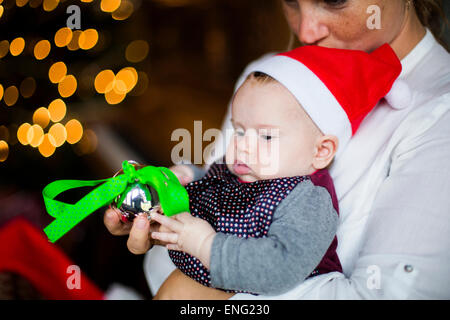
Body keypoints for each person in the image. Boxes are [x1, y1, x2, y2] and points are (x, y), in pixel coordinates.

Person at [104, 0, 450, 299]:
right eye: (291, 2)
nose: (306, 30)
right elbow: (219, 189)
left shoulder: (439, 114)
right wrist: (166, 203)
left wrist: (192, 291)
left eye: (333, 0)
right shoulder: (269, 76)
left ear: (323, 149)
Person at [148, 44, 403, 297]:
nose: (243, 146)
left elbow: (279, 266)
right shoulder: (244, 168)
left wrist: (206, 245)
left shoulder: (306, 199)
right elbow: (215, 188)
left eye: (266, 136)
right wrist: (189, 178)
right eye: (238, 130)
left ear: (321, 151)